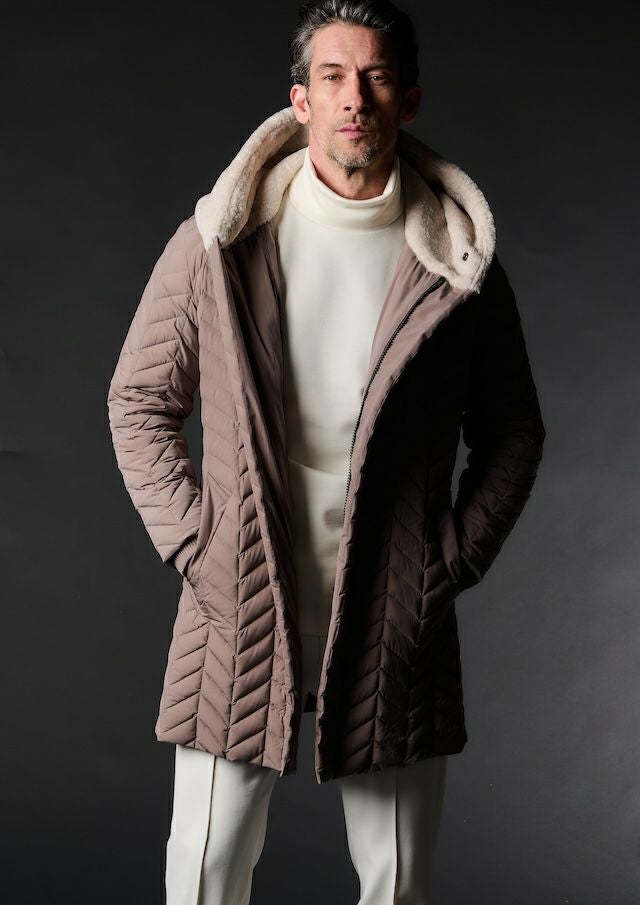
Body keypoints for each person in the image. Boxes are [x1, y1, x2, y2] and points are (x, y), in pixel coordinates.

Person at [106, 1, 546, 903]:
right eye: (334, 77)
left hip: (395, 616)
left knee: (397, 884)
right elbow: (139, 400)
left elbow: (513, 429)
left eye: (377, 77)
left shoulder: (459, 262)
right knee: (203, 877)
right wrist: (197, 542)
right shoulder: (218, 241)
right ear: (300, 100)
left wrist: (450, 560)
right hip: (241, 604)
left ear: (408, 99)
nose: (356, 98)